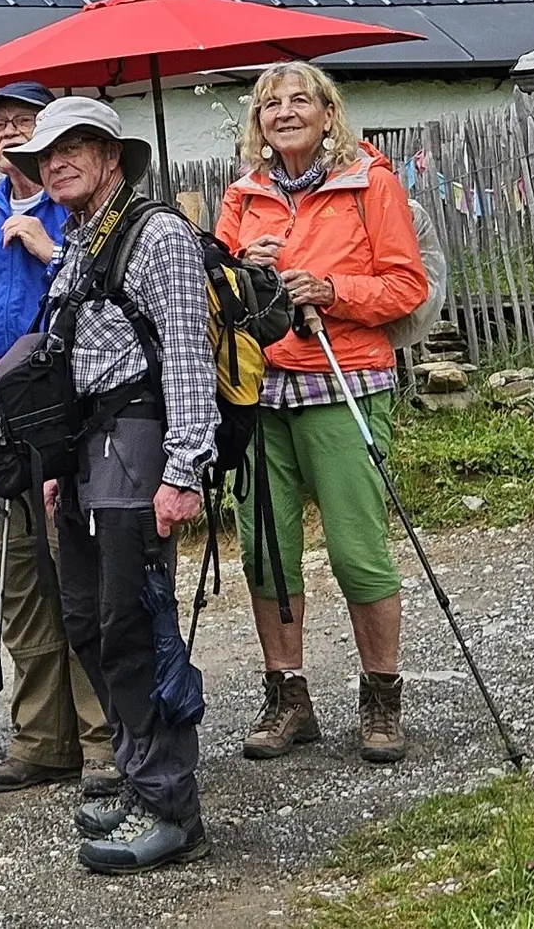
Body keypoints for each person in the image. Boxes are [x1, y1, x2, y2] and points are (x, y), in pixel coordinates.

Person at [5, 97, 216, 874]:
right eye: (44, 156)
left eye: (73, 149)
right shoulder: (75, 241)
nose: (54, 164)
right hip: (87, 453)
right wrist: (59, 468)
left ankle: (171, 805)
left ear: (112, 157)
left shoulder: (156, 234)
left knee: (135, 627)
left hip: (138, 444)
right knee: (89, 623)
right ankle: (135, 772)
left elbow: (188, 355)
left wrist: (184, 468)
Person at [216, 61, 427, 766]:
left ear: (329, 113)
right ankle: (288, 697)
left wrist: (330, 289)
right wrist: (243, 266)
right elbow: (216, 293)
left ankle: (381, 696)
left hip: (343, 385)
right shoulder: (242, 198)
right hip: (259, 392)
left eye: (299, 99)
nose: (284, 111)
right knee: (265, 553)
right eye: (269, 103)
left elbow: (407, 286)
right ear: (258, 124)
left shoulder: (371, 184)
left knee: (356, 552)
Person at [0, 82, 120, 797]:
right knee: (18, 583)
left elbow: (101, 301)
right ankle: (43, 740)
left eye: (22, 122)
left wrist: (45, 250)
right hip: (0, 428)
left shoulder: (79, 215)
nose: (8, 135)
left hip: (72, 422)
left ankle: (104, 739)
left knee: (83, 577)